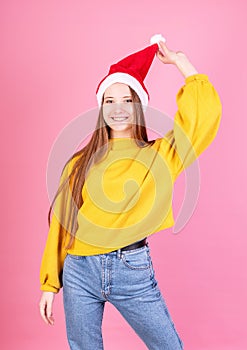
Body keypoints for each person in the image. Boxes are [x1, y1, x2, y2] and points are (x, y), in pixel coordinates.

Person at [39, 34, 222, 350]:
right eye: (109, 101)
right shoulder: (79, 163)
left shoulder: (160, 156)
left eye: (127, 100)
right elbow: (62, 224)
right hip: (79, 271)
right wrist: (49, 283)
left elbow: (201, 120)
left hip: (131, 269)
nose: (118, 109)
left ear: (139, 106)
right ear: (101, 108)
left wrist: (182, 63)